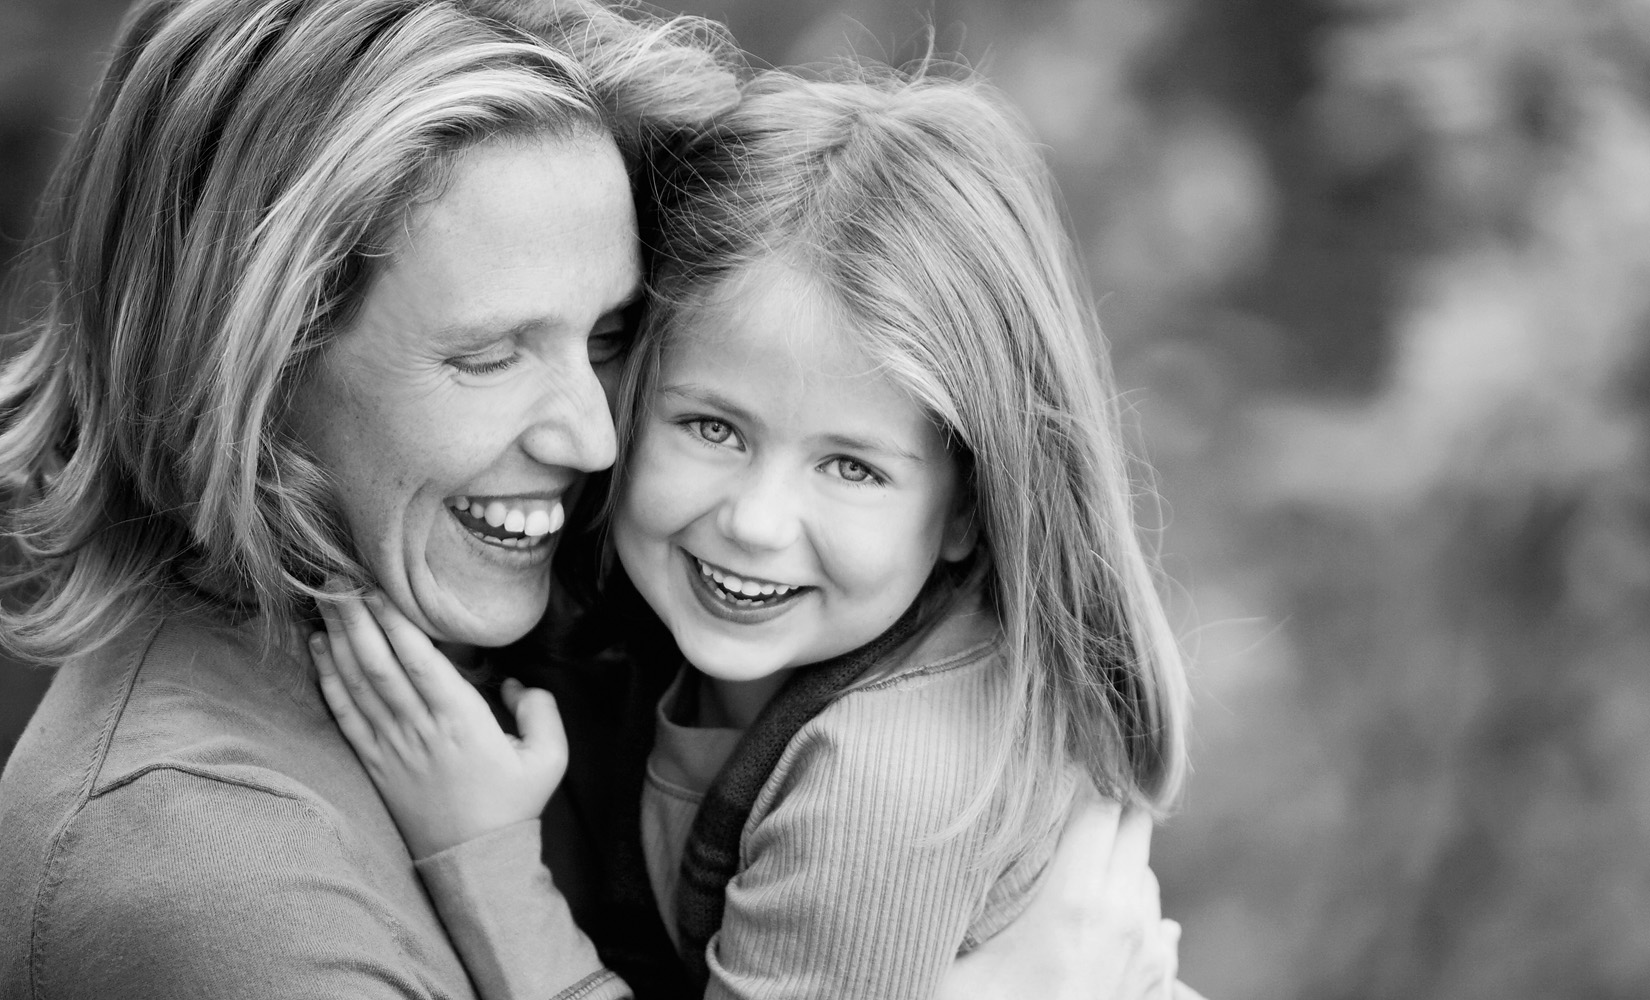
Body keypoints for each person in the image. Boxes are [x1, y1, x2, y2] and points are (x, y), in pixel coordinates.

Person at [0, 0, 1186, 996]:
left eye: (612, 335)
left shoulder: (597, 644)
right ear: (250, 363)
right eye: (489, 354)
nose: (591, 431)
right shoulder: (215, 885)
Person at [307, 64, 1196, 999]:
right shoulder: (652, 638)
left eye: (851, 467)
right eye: (713, 428)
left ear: (968, 511)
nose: (757, 522)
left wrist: (480, 850)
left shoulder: (880, 788)